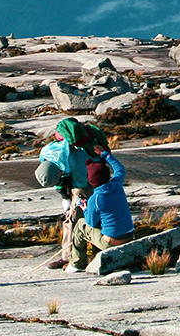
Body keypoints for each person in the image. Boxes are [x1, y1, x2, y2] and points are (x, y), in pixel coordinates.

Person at [34, 117, 108, 268]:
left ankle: (72, 258)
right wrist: (63, 195)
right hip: (79, 178)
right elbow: (58, 181)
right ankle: (91, 253)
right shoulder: (47, 154)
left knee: (75, 218)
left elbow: (81, 184)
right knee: (86, 217)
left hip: (87, 181)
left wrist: (73, 201)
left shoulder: (74, 159)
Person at [66, 146, 134, 273]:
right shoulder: (117, 184)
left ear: (91, 181)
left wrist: (85, 208)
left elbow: (90, 222)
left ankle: (76, 264)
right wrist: (105, 154)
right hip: (129, 236)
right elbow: (120, 168)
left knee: (81, 225)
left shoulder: (95, 198)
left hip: (112, 242)